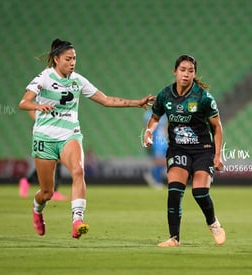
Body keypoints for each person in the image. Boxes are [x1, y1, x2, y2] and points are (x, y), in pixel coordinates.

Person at [19, 38, 154, 239]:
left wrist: (137, 103)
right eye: (68, 59)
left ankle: (77, 221)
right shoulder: (45, 77)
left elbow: (106, 100)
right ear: (56, 59)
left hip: (70, 135)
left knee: (78, 170)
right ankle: (37, 209)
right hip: (44, 137)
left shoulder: (78, 80)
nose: (72, 62)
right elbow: (24, 102)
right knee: (46, 192)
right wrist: (38, 106)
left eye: (74, 58)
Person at [144, 54, 226, 247]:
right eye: (182, 70)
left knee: (199, 192)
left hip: (203, 150)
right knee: (174, 191)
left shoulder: (203, 98)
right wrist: (149, 131)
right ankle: (174, 238)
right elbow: (155, 117)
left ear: (194, 73)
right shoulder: (165, 94)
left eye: (190, 71)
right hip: (178, 149)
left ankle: (213, 222)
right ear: (175, 72)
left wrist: (217, 155)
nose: (186, 74)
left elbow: (217, 127)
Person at [19, 110, 68, 201]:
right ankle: (54, 191)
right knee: (54, 159)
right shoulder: (43, 97)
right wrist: (42, 122)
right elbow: (31, 109)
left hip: (55, 129)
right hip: (46, 130)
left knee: (53, 160)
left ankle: (27, 181)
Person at [143, 109, 167, 189]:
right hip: (156, 141)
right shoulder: (148, 115)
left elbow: (164, 128)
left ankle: (151, 174)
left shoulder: (163, 116)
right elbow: (148, 128)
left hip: (163, 141)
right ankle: (157, 181)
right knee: (158, 161)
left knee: (164, 161)